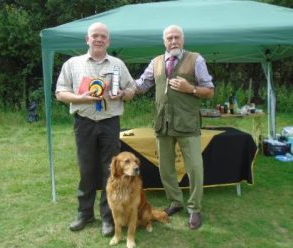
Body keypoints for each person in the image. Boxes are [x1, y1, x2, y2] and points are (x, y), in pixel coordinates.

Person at [55, 22, 136, 236]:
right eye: (95, 36)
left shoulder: (118, 64)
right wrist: (80, 98)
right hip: (84, 122)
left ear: (108, 41)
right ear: (87, 39)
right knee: (86, 169)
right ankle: (85, 213)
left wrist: (123, 95)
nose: (99, 39)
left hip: (110, 123)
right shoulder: (72, 64)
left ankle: (108, 218)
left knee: (111, 170)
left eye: (103, 36)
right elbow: (60, 93)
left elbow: (132, 89)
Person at [136, 25, 214, 230]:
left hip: (187, 123)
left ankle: (194, 207)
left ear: (183, 39)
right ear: (164, 41)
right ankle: (176, 202)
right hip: (164, 124)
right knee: (166, 167)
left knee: (195, 167)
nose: (173, 41)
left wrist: (192, 89)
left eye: (177, 37)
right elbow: (141, 85)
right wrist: (119, 87)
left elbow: (209, 90)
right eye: (169, 38)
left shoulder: (196, 60)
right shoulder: (156, 62)